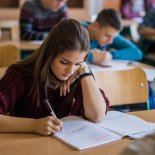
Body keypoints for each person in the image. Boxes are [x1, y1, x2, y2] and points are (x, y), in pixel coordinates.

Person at [0, 19, 109, 136]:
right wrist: (34, 125)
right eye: (64, 62)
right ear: (50, 54)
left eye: (77, 63)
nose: (70, 71)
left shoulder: (77, 74)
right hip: (24, 145)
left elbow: (97, 115)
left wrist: (85, 71)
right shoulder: (21, 74)